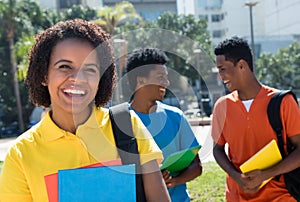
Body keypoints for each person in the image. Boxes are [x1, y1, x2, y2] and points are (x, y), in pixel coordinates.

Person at [0, 19, 170, 202]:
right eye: (64, 67)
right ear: (43, 75)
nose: (78, 78)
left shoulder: (128, 124)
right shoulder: (22, 153)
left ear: (100, 79)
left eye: (89, 69)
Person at [211, 36, 300, 201]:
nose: (220, 76)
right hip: (237, 196)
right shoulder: (221, 107)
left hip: (281, 195)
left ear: (242, 65)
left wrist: (267, 174)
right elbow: (217, 149)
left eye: (222, 69)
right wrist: (236, 177)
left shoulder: (283, 102)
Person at [126, 47, 202, 202]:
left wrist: (173, 181)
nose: (166, 83)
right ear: (141, 80)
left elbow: (197, 166)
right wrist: (151, 178)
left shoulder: (175, 116)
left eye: (166, 77)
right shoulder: (119, 120)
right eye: (161, 77)